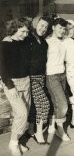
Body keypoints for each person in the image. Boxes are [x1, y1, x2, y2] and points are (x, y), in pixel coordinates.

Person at [0, 17, 31, 156]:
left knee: (25, 114)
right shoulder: (5, 44)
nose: (26, 34)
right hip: (12, 84)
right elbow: (2, 68)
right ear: (15, 29)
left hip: (26, 81)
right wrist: (9, 85)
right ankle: (13, 144)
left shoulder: (24, 43)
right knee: (22, 114)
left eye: (27, 32)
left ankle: (18, 141)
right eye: (23, 31)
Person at [27, 16, 51, 144]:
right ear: (35, 24)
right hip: (31, 78)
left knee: (35, 106)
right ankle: (39, 133)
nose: (43, 29)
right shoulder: (28, 39)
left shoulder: (44, 42)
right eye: (41, 25)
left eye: (46, 27)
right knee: (44, 104)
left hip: (41, 77)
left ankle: (31, 130)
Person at [45, 18, 70, 141]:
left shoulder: (63, 42)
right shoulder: (47, 42)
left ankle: (51, 125)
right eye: (59, 27)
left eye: (63, 28)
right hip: (51, 75)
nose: (62, 30)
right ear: (53, 27)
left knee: (56, 103)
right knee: (63, 105)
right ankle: (60, 129)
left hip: (62, 75)